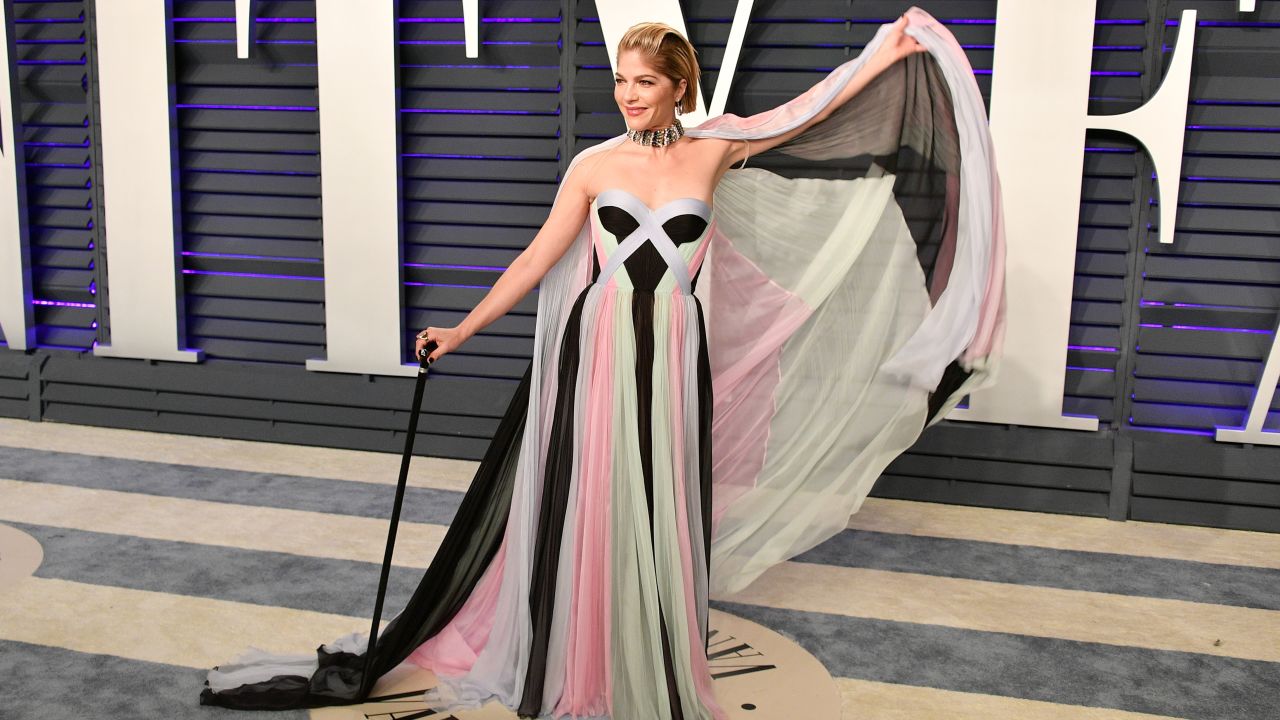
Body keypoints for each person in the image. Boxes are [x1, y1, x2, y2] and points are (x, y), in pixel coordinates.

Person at [201, 8, 1005, 719]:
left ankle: (644, 644)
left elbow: (809, 111)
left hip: (673, 351)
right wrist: (465, 328)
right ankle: (579, 652)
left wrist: (889, 51)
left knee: (658, 496)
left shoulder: (717, 148)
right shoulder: (594, 166)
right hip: (599, 347)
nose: (628, 94)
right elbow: (535, 261)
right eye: (620, 79)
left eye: (645, 81)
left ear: (678, 86)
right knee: (593, 494)